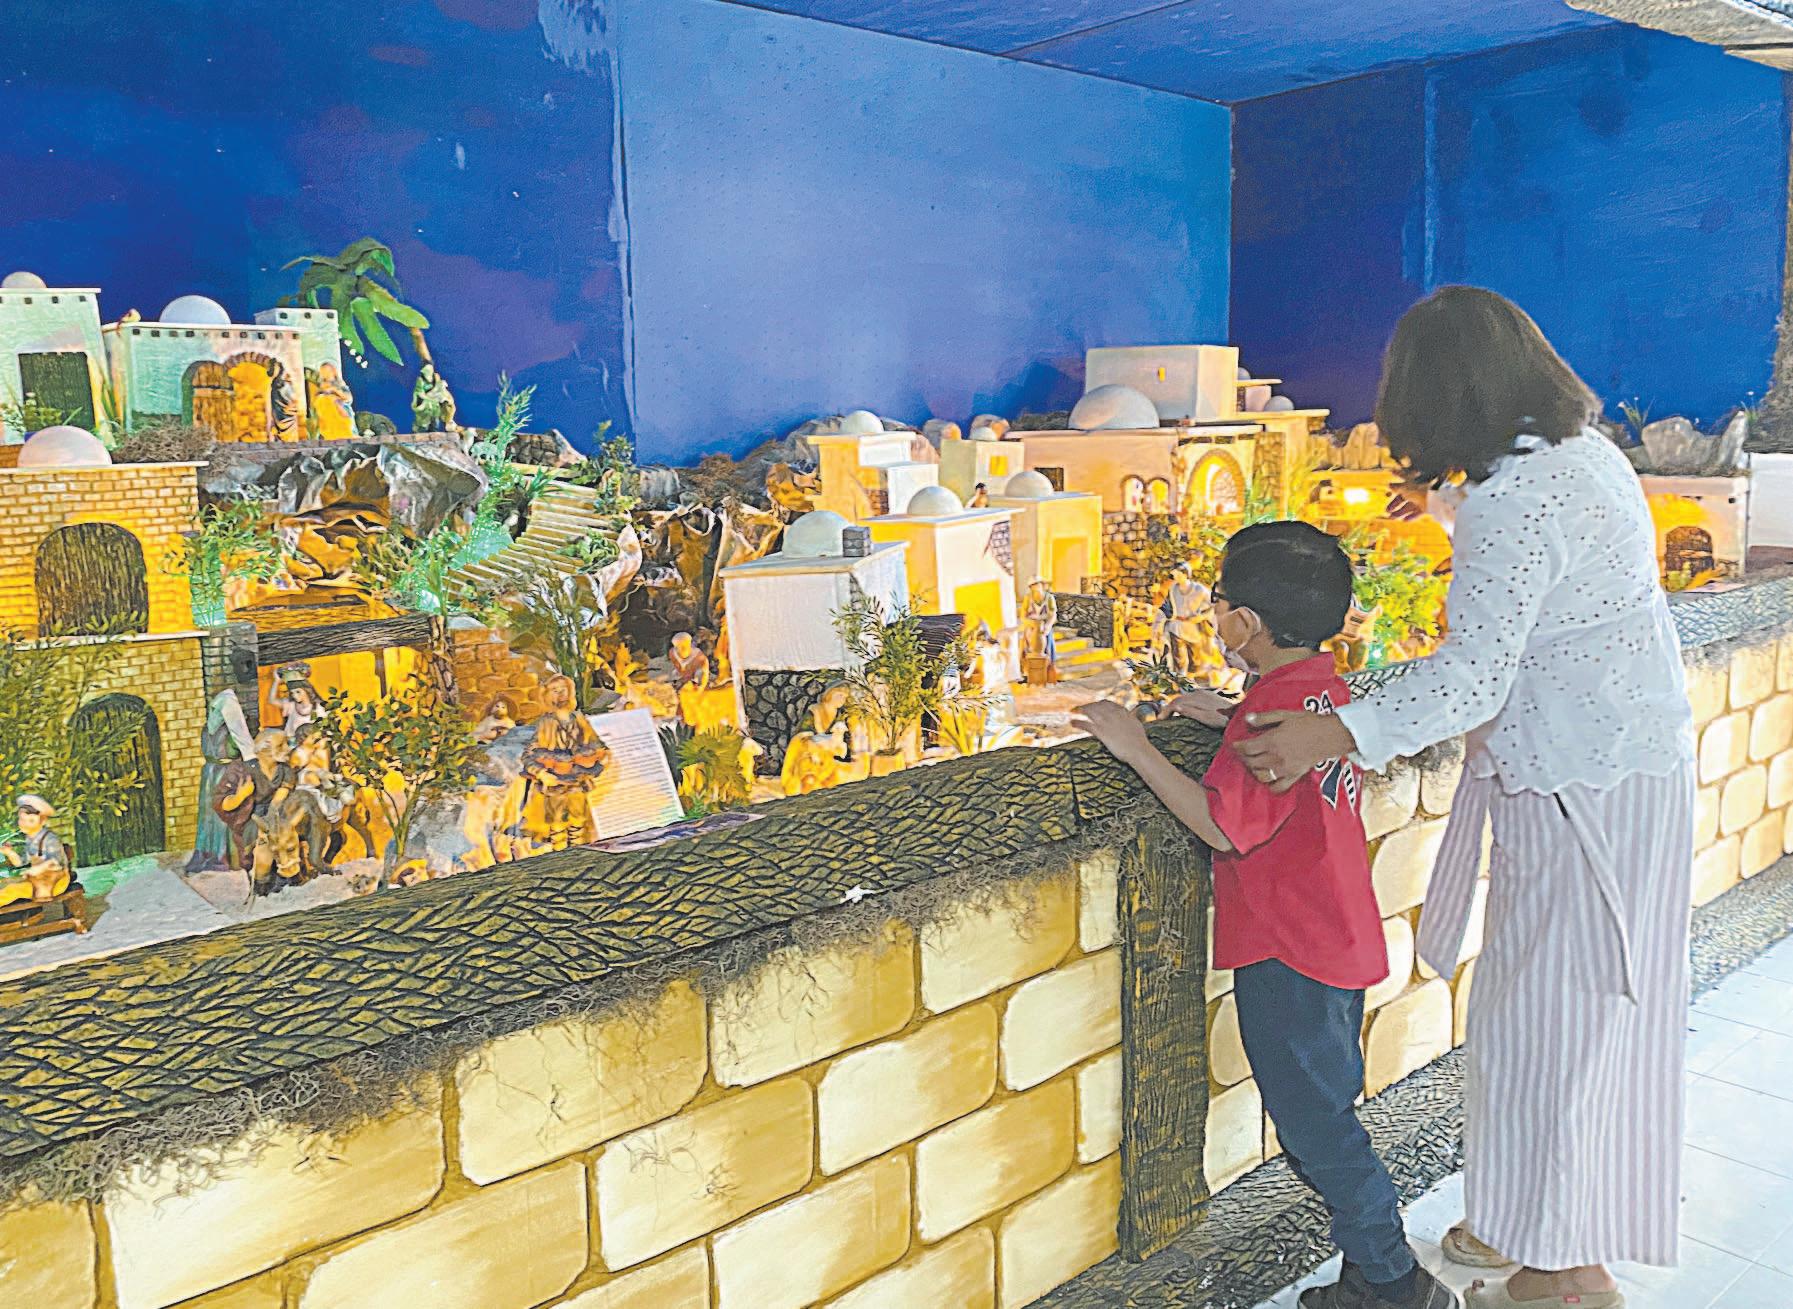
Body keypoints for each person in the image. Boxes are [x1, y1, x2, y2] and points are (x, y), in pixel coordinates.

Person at [1234, 287, 1693, 1309]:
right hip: (1612, 771)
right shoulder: (1576, 456)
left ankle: (1562, 1273)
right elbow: (1537, 586)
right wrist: (1445, 510)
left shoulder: (1512, 501)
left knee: (1553, 1026)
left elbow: (1472, 677)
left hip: (1581, 785)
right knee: (1555, 1015)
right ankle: (1527, 1222)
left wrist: (1329, 729)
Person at [1075, 522, 1456, 1309]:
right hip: (1335, 931)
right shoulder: (1319, 691)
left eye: (1217, 601)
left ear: (1244, 621)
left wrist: (1136, 746)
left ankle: (1392, 1281)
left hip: (1288, 951)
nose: (1212, 612)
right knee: (1325, 1114)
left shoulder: (1272, 711)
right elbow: (1284, 763)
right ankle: (1372, 1274)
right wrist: (1229, 718)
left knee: (1317, 1129)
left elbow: (1222, 824)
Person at [0, 795, 74, 907]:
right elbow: (21, 862)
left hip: (54, 883)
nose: (24, 824)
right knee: (5, 883)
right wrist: (9, 853)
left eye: (31, 820)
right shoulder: (30, 839)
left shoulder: (50, 839)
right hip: (38, 880)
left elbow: (55, 862)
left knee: (12, 890)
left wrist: (37, 869)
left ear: (42, 821)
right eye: (22, 819)